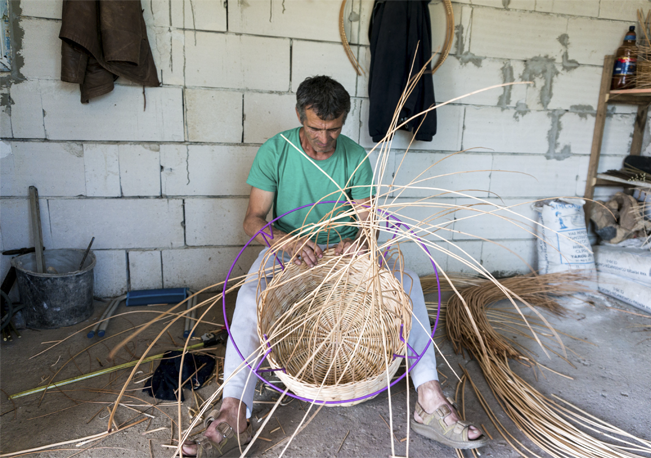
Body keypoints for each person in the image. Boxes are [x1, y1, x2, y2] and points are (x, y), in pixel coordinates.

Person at [183, 76, 486, 457]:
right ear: (299, 115)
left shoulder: (356, 157)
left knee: (407, 284)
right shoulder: (276, 151)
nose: (325, 139)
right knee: (248, 296)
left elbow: (368, 227)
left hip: (345, 251)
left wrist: (354, 245)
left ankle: (430, 400)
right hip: (290, 248)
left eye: (334, 129)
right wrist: (285, 241)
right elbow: (253, 219)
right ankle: (234, 412)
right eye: (315, 128)